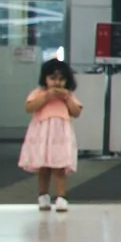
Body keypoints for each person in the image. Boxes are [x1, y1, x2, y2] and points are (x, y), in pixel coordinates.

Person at [21, 58, 85, 213]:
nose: (57, 83)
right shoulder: (38, 93)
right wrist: (45, 97)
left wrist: (67, 98)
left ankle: (61, 197)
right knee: (43, 166)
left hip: (60, 135)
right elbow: (29, 107)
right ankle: (43, 195)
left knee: (60, 166)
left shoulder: (67, 96)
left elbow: (76, 112)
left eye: (61, 79)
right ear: (45, 79)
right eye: (52, 78)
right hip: (42, 133)